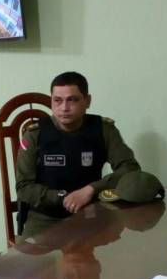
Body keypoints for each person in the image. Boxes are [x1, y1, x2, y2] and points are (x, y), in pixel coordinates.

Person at [15, 71, 140, 238]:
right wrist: (63, 198)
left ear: (87, 101)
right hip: (45, 218)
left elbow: (130, 169)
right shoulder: (34, 134)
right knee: (29, 263)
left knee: (115, 256)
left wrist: (90, 189)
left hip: (92, 213)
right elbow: (24, 187)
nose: (64, 108)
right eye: (57, 101)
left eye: (72, 100)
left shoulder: (103, 129)